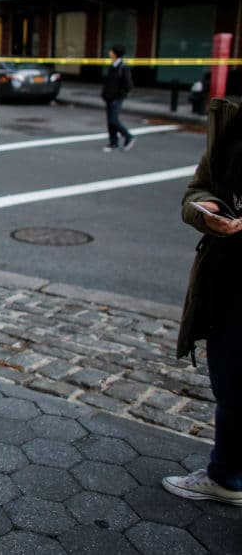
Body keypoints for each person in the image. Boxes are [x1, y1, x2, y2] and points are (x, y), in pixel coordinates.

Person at [163, 94, 242, 507]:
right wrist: (204, 210)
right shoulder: (229, 118)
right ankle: (227, 474)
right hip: (228, 277)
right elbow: (198, 188)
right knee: (229, 378)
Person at [102, 44, 134, 152]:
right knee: (110, 122)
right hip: (109, 97)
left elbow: (128, 85)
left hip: (116, 98)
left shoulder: (123, 67)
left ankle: (128, 136)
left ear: (115, 53)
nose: (109, 53)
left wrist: (120, 95)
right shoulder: (113, 66)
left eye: (111, 51)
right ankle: (113, 142)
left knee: (114, 120)